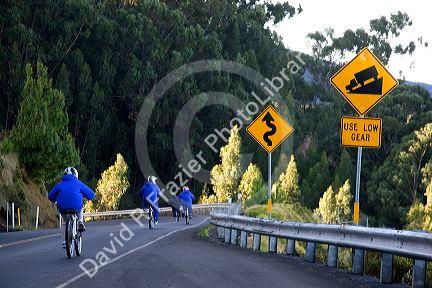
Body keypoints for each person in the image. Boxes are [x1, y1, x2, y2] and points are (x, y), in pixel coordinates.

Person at [48, 167, 95, 248]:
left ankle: (65, 241)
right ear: (75, 175)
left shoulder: (60, 184)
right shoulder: (78, 183)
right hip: (76, 206)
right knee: (80, 207)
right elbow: (91, 194)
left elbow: (50, 196)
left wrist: (55, 199)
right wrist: (89, 198)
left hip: (62, 208)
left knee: (65, 222)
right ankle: (80, 221)